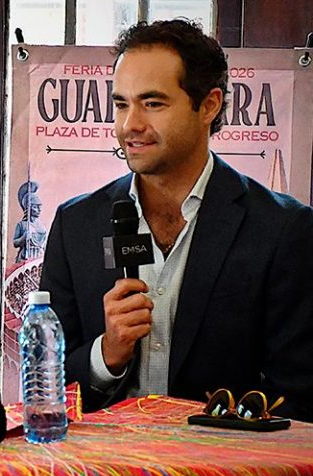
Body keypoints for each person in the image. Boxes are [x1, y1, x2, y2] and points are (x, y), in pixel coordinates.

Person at [39, 19, 313, 421]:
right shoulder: (76, 224)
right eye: (121, 104)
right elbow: (45, 382)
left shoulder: (283, 229)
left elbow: (298, 398)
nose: (130, 125)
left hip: (224, 460)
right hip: (99, 460)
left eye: (152, 103)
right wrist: (106, 355)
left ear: (209, 105)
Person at [12, 181, 48, 262]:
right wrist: (23, 238)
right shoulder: (21, 225)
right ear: (28, 208)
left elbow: (45, 244)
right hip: (25, 257)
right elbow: (15, 243)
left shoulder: (42, 226)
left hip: (39, 257)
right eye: (35, 207)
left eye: (39, 207)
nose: (39, 210)